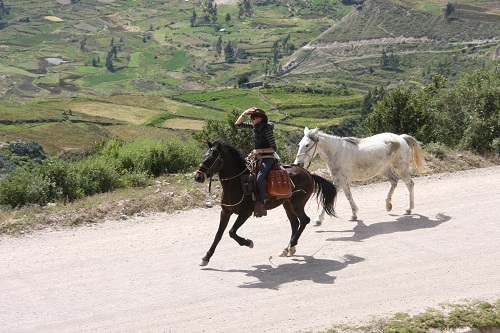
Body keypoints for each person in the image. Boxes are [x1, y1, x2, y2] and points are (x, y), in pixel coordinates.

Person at [235, 107, 279, 217]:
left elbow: (274, 148)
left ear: (260, 119)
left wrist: (259, 150)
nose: (251, 119)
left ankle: (261, 202)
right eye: (251, 117)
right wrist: (244, 112)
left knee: (259, 177)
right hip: (257, 157)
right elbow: (238, 124)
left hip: (268, 157)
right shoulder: (255, 127)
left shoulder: (267, 130)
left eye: (253, 117)